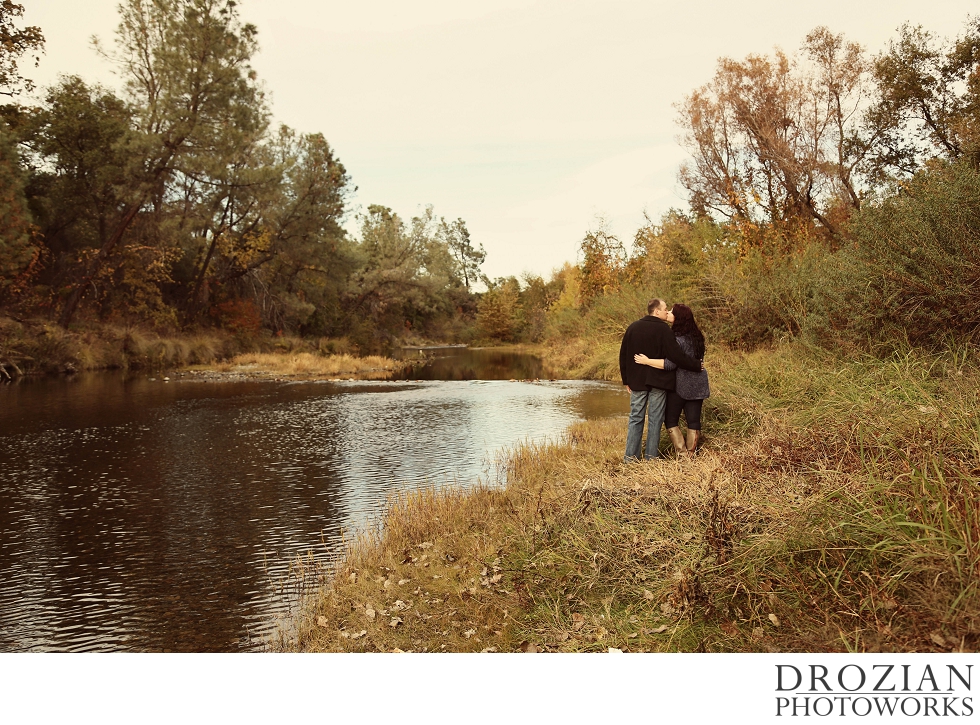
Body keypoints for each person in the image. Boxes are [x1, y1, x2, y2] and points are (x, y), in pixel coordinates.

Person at [619, 298, 702, 462]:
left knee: (636, 418)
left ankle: (630, 459)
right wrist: (696, 364)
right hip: (659, 382)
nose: (666, 312)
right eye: (665, 309)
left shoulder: (633, 327)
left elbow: (623, 355)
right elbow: (676, 356)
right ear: (656, 311)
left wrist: (626, 380)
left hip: (637, 382)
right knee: (655, 420)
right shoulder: (664, 331)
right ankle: (651, 459)